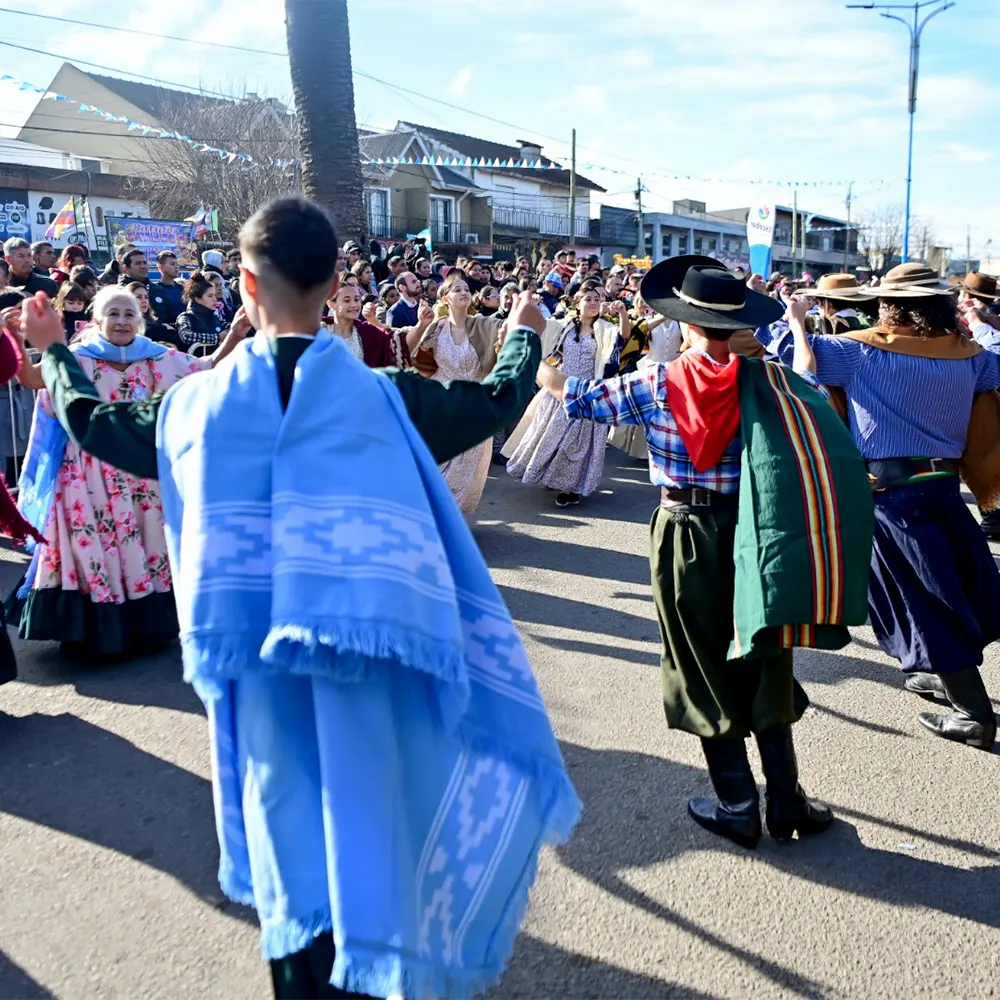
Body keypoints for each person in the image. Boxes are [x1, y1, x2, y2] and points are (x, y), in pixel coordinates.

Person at [23, 195, 578, 1000]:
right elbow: (495, 401)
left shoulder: (195, 406)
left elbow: (96, 423)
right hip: (369, 667)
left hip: (259, 680)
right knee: (374, 825)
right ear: (332, 283)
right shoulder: (385, 398)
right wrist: (526, 329)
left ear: (246, 281)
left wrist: (53, 353)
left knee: (290, 846)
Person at [533, 255, 872, 848]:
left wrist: (545, 365)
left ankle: (738, 803)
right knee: (763, 656)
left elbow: (579, 401)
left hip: (682, 530)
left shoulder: (656, 382)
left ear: (686, 325)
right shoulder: (771, 383)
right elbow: (820, 418)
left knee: (698, 661)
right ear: (736, 323)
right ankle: (786, 800)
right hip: (752, 532)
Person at [773, 262, 1000, 750]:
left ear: (890, 305)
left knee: (920, 601)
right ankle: (945, 674)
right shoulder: (971, 357)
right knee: (949, 589)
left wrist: (796, 319)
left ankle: (974, 713)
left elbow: (798, 369)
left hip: (892, 497)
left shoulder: (856, 353)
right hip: (943, 489)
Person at [10, 286, 248, 657]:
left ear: (140, 320)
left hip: (138, 476)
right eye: (113, 314)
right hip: (84, 476)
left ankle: (148, 627)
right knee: (93, 548)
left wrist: (234, 333)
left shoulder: (159, 358)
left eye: (128, 314)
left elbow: (206, 369)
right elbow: (33, 379)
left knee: (147, 544)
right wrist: (13, 339)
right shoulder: (77, 357)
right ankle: (94, 630)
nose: (121, 321)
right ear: (97, 320)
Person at [505, 291, 629, 507]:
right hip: (559, 390)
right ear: (577, 303)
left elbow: (624, 337)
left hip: (588, 393)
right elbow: (540, 328)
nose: (593, 303)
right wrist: (531, 307)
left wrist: (622, 314)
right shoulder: (565, 326)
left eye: (597, 300)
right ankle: (553, 477)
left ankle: (568, 487)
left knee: (577, 444)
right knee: (551, 438)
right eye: (588, 299)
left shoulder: (605, 329)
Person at [410, 273, 506, 513]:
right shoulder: (436, 328)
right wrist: (420, 324)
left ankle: (449, 519)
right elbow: (412, 352)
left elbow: (508, 333)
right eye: (456, 290)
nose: (463, 292)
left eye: (465, 289)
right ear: (445, 299)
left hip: (475, 403)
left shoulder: (484, 325)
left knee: (466, 468)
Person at [323, 281, 402, 368]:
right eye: (347, 300)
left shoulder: (367, 332)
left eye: (357, 299)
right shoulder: (319, 332)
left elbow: (392, 341)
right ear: (331, 304)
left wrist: (420, 326)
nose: (354, 305)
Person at [176, 270, 230, 350]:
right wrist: (217, 337)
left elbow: (229, 327)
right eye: (210, 296)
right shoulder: (186, 317)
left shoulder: (215, 316)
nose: (215, 299)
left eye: (215, 295)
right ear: (198, 299)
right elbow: (186, 336)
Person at [805, 273, 873, 336]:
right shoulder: (866, 324)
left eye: (818, 302)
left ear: (828, 304)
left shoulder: (829, 326)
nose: (818, 309)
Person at [128, 281, 184, 349]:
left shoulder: (155, 323)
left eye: (146, 297)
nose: (144, 300)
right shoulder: (129, 325)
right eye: (139, 297)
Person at [148, 250, 185, 325]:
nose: (176, 267)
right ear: (161, 266)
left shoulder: (181, 288)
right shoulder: (154, 290)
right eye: (172, 264)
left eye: (177, 264)